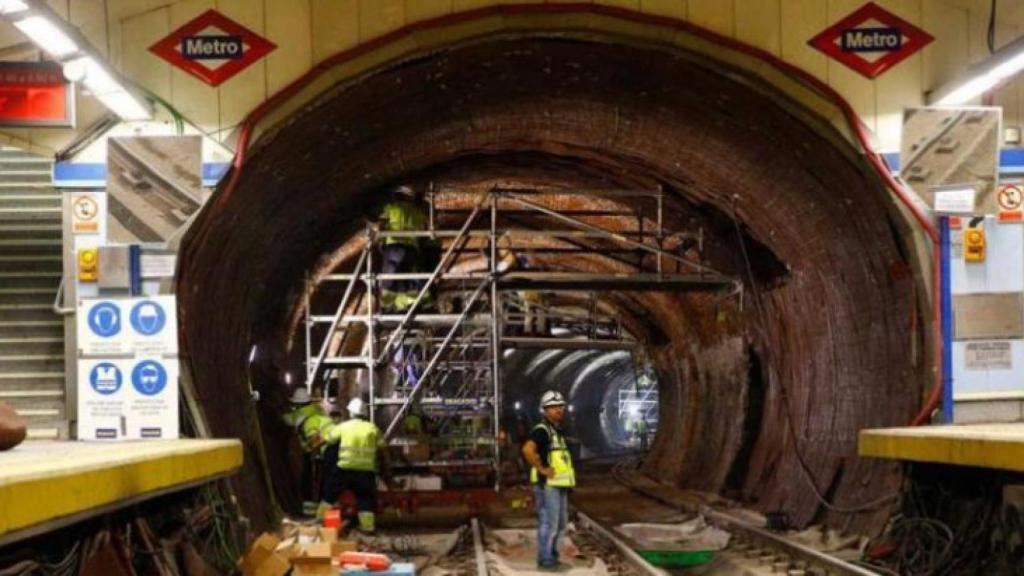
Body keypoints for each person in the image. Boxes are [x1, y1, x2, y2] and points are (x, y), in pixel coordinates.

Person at [521, 390, 576, 571]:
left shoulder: (556, 431)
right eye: (553, 407)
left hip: (559, 485)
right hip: (547, 485)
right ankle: (545, 559)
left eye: (560, 406)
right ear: (545, 410)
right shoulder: (542, 430)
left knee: (560, 524)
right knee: (549, 523)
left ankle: (551, 554)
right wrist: (541, 469)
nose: (558, 410)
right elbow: (528, 450)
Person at [319, 398, 391, 533]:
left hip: (344, 469)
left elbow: (329, 440)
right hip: (365, 472)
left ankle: (319, 521)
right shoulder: (372, 428)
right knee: (365, 499)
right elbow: (383, 449)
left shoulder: (343, 426)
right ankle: (368, 527)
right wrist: (386, 468)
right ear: (364, 414)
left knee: (330, 494)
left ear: (351, 413)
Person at [379, 186, 431, 312]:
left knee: (390, 274)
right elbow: (426, 227)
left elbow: (381, 224)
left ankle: (386, 305)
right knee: (410, 275)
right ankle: (412, 302)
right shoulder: (417, 211)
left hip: (394, 245)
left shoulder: (392, 208)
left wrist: (381, 241)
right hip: (411, 247)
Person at [282, 388, 334, 503]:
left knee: (315, 481)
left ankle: (317, 507)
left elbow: (316, 440)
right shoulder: (316, 411)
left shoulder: (306, 420)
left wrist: (310, 451)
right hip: (335, 448)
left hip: (326, 451)